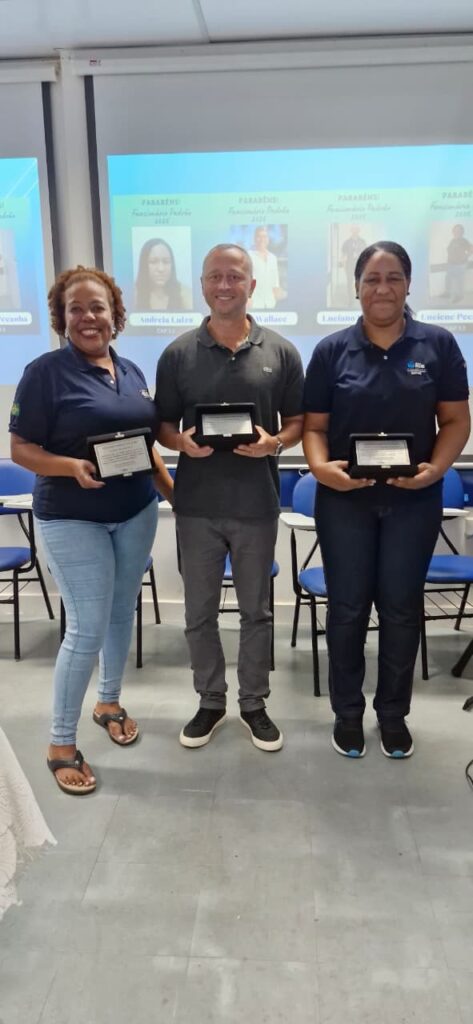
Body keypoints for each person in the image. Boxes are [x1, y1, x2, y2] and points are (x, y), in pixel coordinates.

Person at [9, 266, 174, 795]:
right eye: (76, 309)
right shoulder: (44, 372)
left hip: (136, 511)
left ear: (114, 314)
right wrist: (70, 467)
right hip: (71, 515)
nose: (88, 317)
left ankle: (109, 702)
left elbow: (145, 443)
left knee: (122, 612)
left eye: (98, 307)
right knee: (85, 627)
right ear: (61, 317)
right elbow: (20, 449)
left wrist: (173, 493)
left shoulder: (130, 370)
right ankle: (61, 743)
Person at [303, 241, 470, 759]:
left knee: (400, 609)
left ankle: (393, 715)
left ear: (408, 284)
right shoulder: (331, 351)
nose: (382, 288)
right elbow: (314, 428)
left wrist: (436, 471)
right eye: (372, 279)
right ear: (356, 287)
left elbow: (456, 421)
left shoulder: (438, 345)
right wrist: (320, 469)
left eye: (393, 277)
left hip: (412, 502)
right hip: (344, 501)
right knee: (348, 610)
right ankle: (348, 714)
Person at [155, 243, 304, 752]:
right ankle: (211, 700)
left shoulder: (281, 351)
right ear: (202, 285)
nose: (225, 285)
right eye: (215, 276)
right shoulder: (177, 354)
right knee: (199, 613)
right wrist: (180, 443)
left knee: (256, 612)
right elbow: (162, 425)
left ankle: (254, 703)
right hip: (196, 507)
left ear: (252, 285)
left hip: (257, 505)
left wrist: (274, 442)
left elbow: (298, 421)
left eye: (235, 276)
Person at [134, 237, 193, 311]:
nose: (161, 269)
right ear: (144, 265)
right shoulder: (133, 294)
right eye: (153, 261)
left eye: (166, 262)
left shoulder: (185, 294)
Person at [249, 227, 282, 309]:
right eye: (259, 236)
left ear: (268, 239)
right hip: (254, 303)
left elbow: (275, 282)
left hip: (270, 303)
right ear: (254, 239)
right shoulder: (249, 256)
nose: (262, 239)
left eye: (264, 236)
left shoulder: (273, 258)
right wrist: (248, 299)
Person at [442, 224, 473, 304]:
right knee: (448, 278)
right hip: (451, 264)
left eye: (458, 230)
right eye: (455, 230)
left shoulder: (463, 240)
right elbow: (449, 250)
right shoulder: (453, 240)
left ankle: (459, 296)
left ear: (461, 232)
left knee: (459, 281)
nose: (456, 232)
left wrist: (465, 256)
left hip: (460, 265)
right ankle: (447, 293)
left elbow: (471, 248)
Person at [340, 225, 366, 304]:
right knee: (349, 281)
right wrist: (343, 264)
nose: (355, 232)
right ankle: (350, 299)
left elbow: (365, 254)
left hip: (359, 265)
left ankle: (360, 297)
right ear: (351, 231)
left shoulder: (362, 241)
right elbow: (343, 254)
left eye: (356, 230)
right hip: (349, 265)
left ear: (358, 231)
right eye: (353, 230)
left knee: (360, 281)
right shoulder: (347, 242)